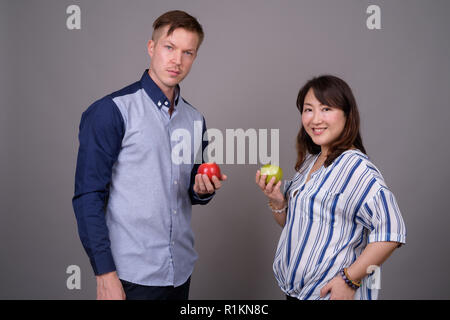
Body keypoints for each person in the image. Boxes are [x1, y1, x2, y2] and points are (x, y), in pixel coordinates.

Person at [72, 10, 226, 300]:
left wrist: (203, 189)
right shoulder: (111, 111)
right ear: (151, 48)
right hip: (129, 275)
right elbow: (88, 196)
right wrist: (104, 274)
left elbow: (190, 187)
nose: (177, 60)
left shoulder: (195, 119)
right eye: (169, 47)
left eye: (188, 52)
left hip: (180, 272)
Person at [256, 75, 406, 300]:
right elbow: (296, 224)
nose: (315, 119)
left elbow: (391, 232)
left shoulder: (356, 168)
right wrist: (278, 201)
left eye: (326, 109)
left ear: (347, 115)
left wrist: (349, 279)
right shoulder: (310, 162)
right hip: (296, 294)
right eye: (308, 110)